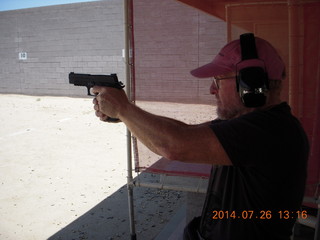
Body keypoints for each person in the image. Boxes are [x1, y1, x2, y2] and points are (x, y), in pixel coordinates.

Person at [92, 34, 309, 240]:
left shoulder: (270, 130)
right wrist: (126, 116)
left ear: (250, 85)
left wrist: (123, 109)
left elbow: (175, 145)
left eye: (219, 79)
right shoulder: (254, 123)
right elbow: (186, 131)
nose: (211, 89)